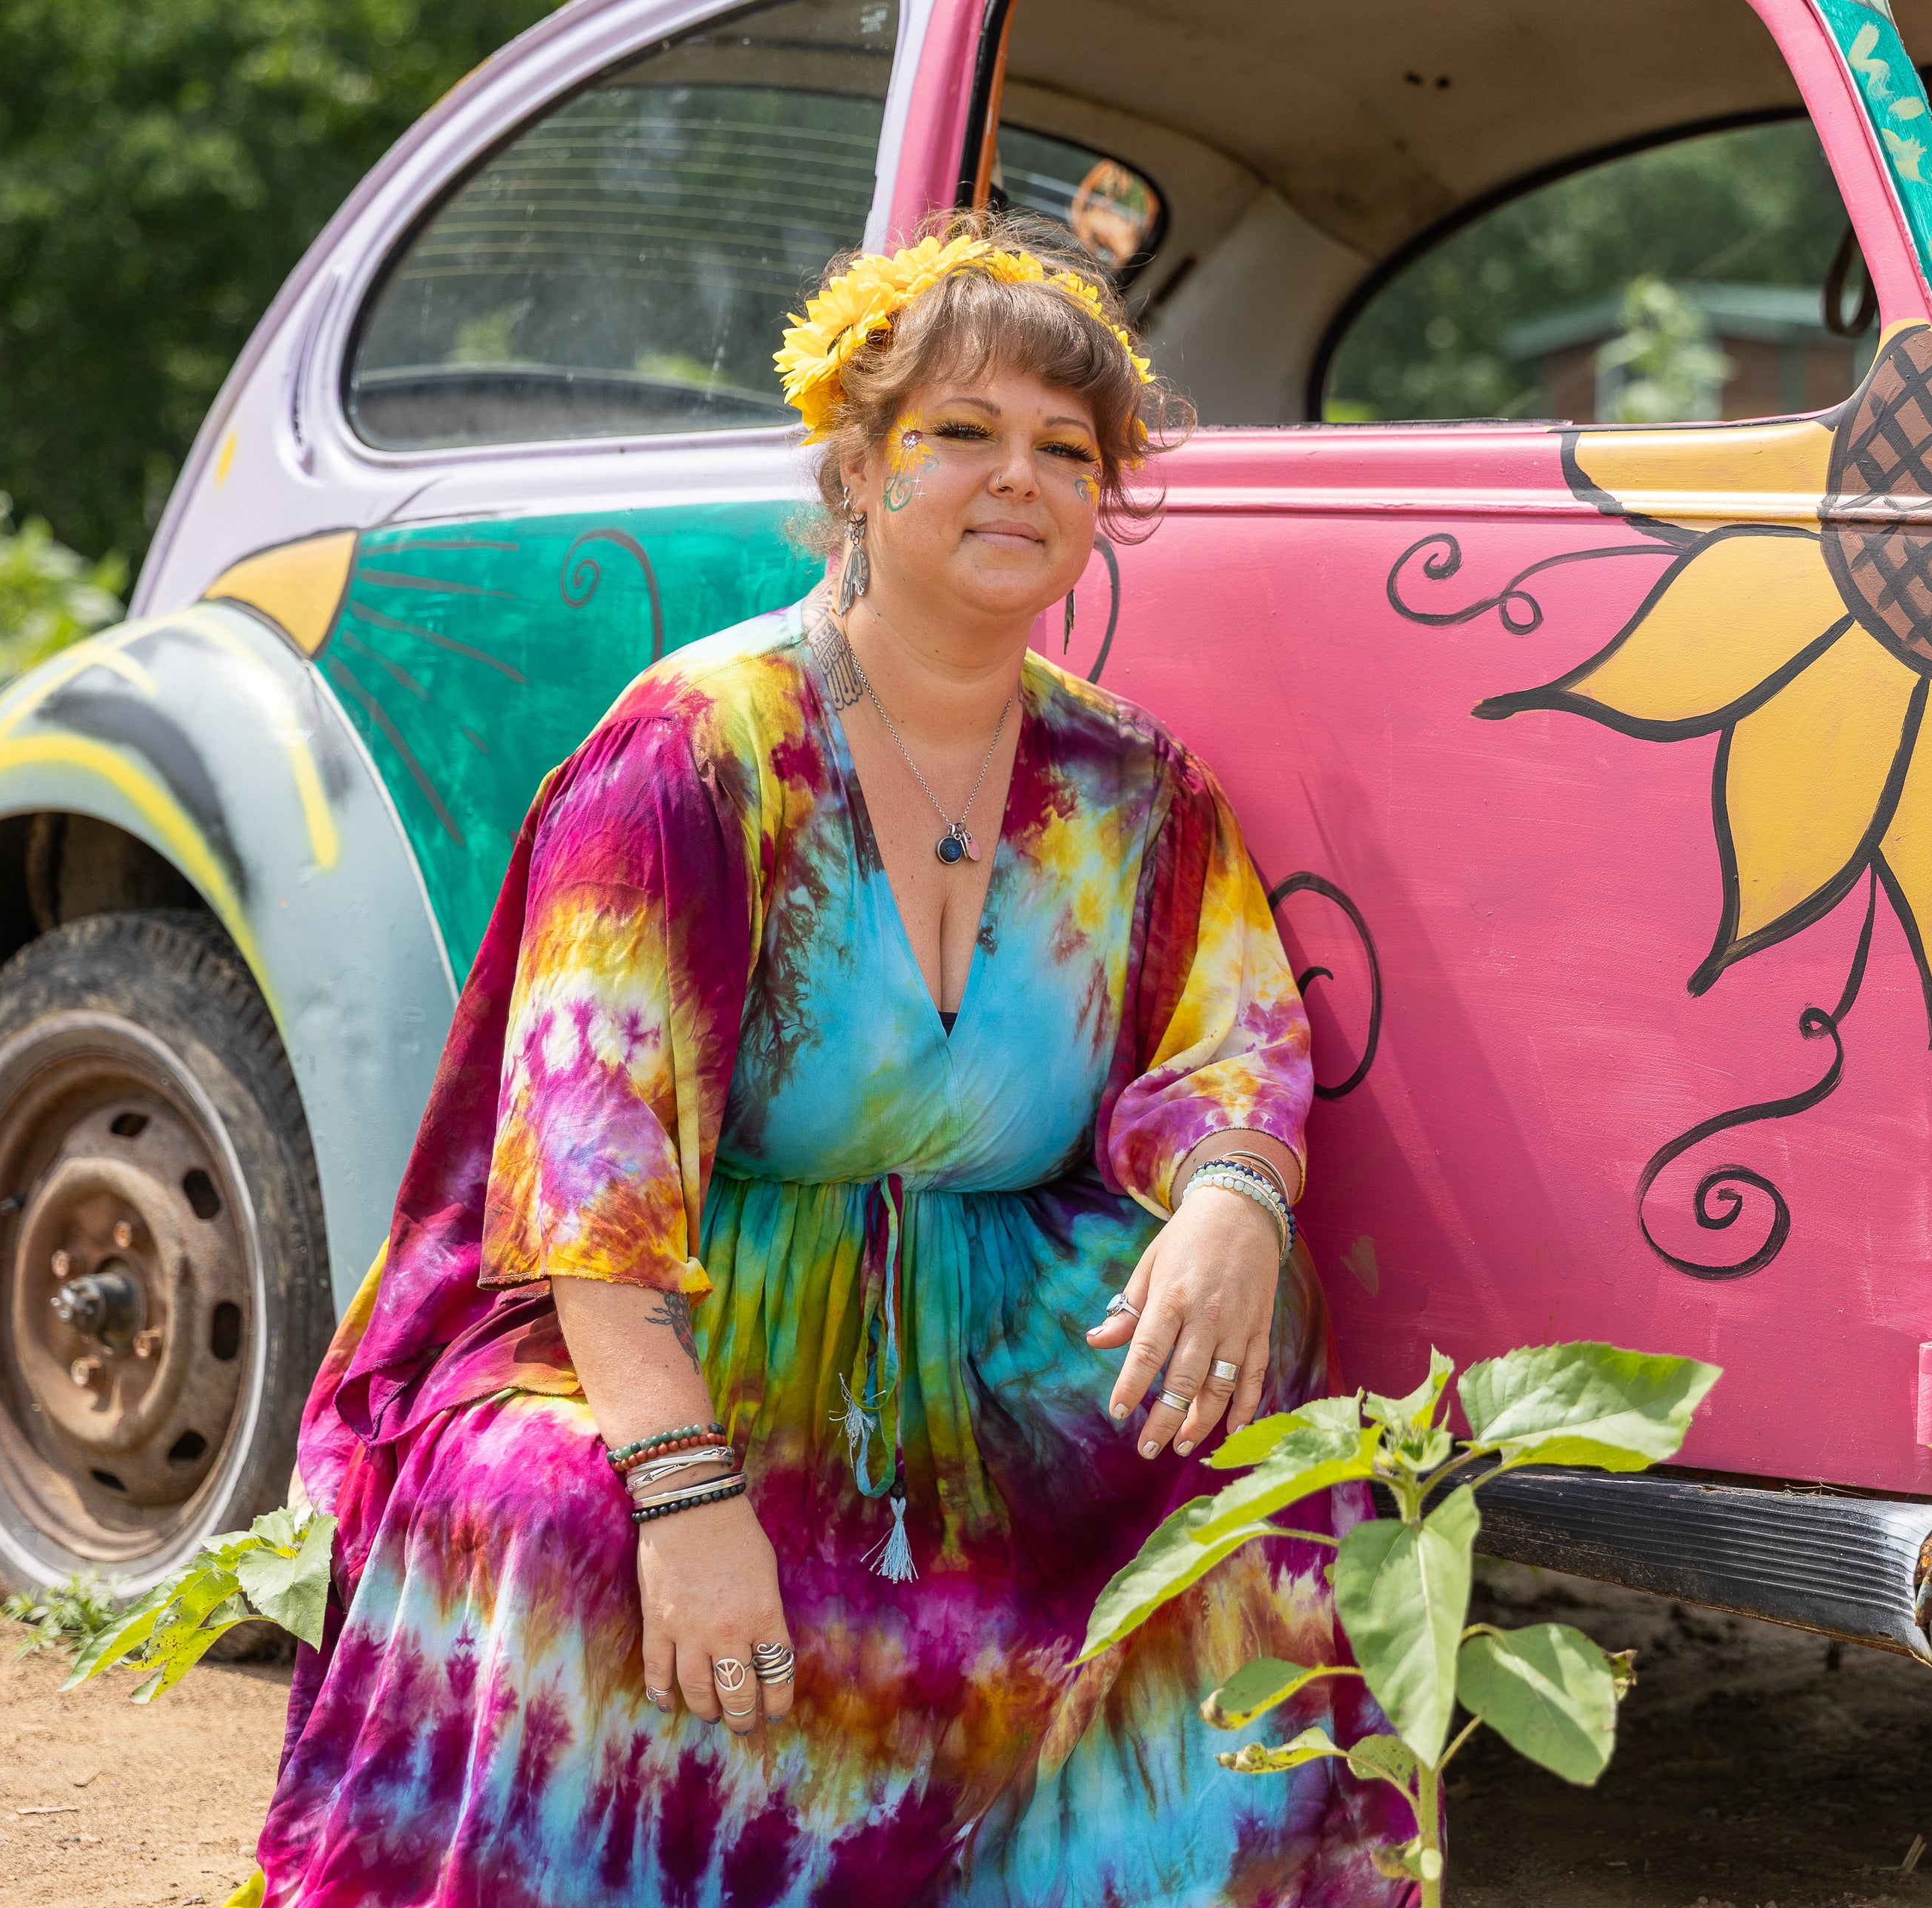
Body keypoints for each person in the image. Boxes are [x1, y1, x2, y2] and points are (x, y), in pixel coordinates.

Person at [256, 214, 1407, 1906]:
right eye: (964, 433)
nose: (1020, 478)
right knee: (560, 1519)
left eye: (1066, 450)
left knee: (1275, 1493)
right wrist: (679, 1484)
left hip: (1001, 1340)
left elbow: (1230, 1034)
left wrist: (1234, 1193)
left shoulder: (1134, 783)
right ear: (856, 469)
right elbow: (592, 1169)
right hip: (685, 1324)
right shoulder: (691, 754)